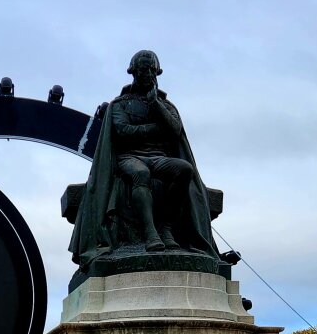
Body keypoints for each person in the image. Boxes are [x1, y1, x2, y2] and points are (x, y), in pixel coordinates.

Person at [69, 50, 218, 270]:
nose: (147, 74)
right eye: (143, 69)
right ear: (133, 72)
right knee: (141, 174)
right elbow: (123, 131)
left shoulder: (165, 105)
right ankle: (150, 233)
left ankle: (166, 228)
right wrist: (157, 129)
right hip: (130, 158)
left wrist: (156, 104)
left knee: (184, 170)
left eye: (151, 69)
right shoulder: (120, 104)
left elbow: (175, 130)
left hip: (159, 158)